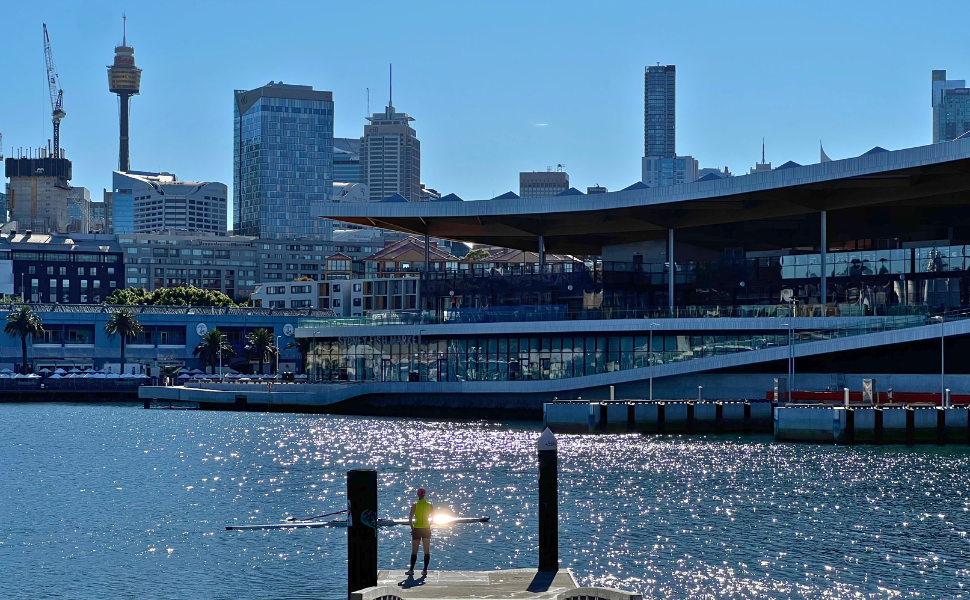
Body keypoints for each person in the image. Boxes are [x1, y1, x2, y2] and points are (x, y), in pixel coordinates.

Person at [406, 487, 433, 576]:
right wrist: (428, 524)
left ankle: (411, 570)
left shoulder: (415, 504)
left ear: (418, 494)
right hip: (426, 529)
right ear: (425, 495)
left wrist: (412, 528)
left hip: (417, 528)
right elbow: (433, 519)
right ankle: (424, 570)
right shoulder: (429, 505)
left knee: (414, 551)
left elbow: (410, 518)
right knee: (426, 550)